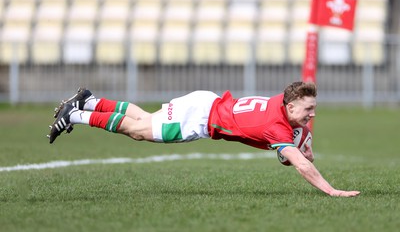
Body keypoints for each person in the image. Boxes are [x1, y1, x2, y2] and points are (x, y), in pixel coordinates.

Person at [47, 81, 360, 197]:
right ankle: (74, 114)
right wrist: (331, 190)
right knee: (138, 131)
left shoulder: (282, 101)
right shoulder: (276, 127)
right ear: (290, 106)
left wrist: (302, 140)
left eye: (314, 109)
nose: (312, 115)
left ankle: (88, 101)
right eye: (308, 109)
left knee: (143, 119)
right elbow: (300, 165)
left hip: (205, 101)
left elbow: (292, 144)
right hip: (199, 119)